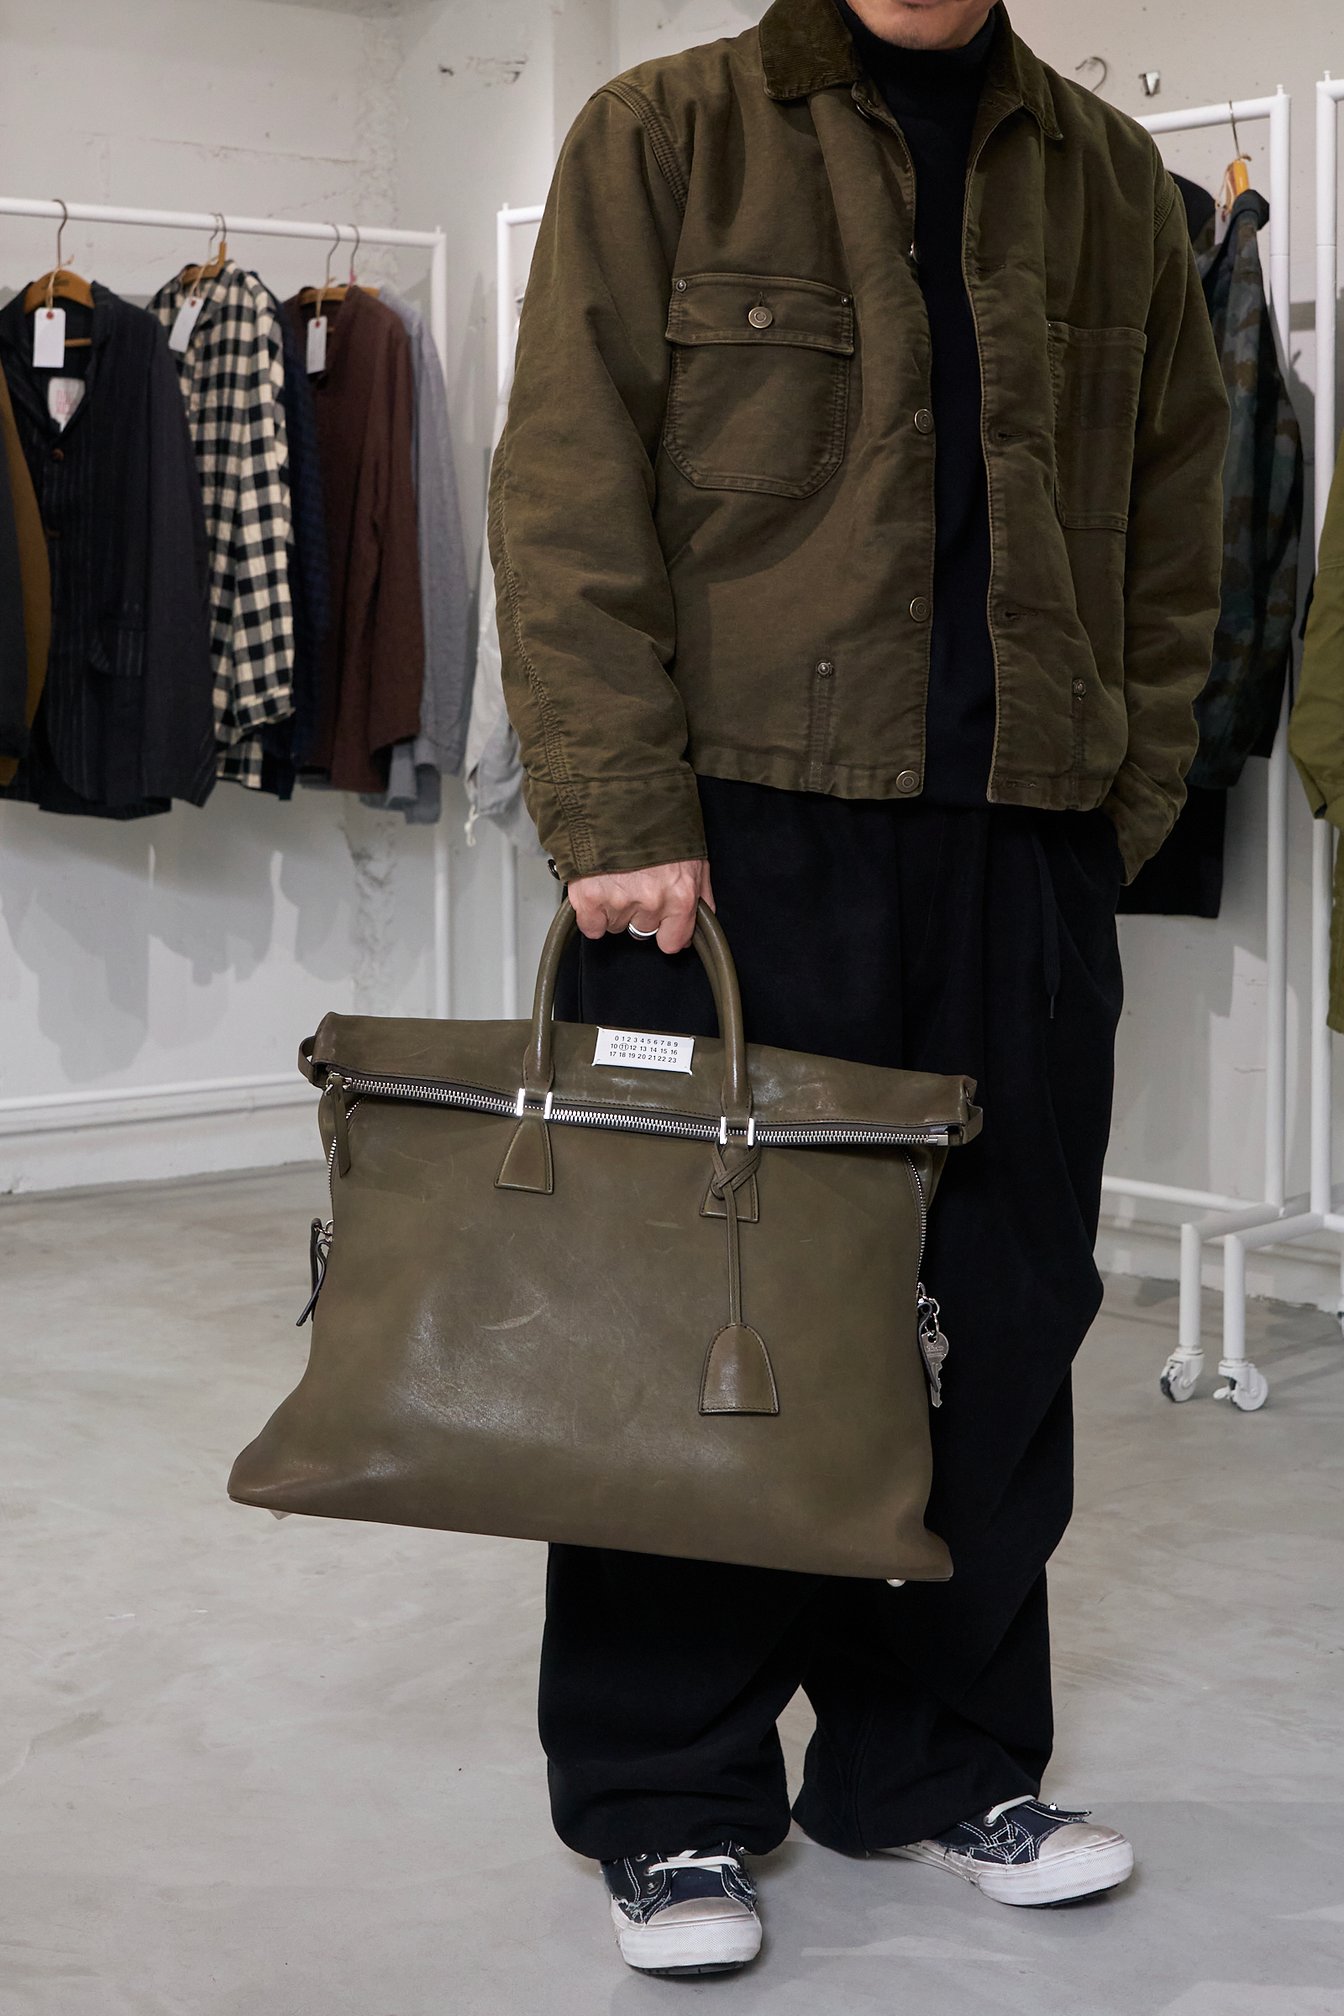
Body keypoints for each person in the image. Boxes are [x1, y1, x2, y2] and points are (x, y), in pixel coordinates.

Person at [488, 0, 1228, 1979]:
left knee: (1003, 1314)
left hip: (1020, 841)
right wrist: (616, 809)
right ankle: (669, 1793)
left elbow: (1181, 521)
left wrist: (1121, 797)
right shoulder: (667, 134)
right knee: (695, 1322)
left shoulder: (1109, 182)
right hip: (728, 847)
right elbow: (565, 486)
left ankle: (936, 1762)